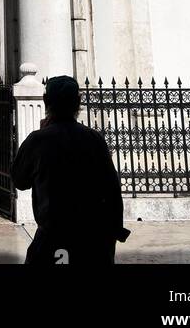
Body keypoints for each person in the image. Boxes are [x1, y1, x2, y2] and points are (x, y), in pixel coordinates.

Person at [11, 75, 129, 266]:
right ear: (78, 102)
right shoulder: (94, 139)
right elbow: (113, 191)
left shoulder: (38, 140)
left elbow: (19, 181)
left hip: (53, 236)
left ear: (46, 101)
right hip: (92, 238)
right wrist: (114, 233)